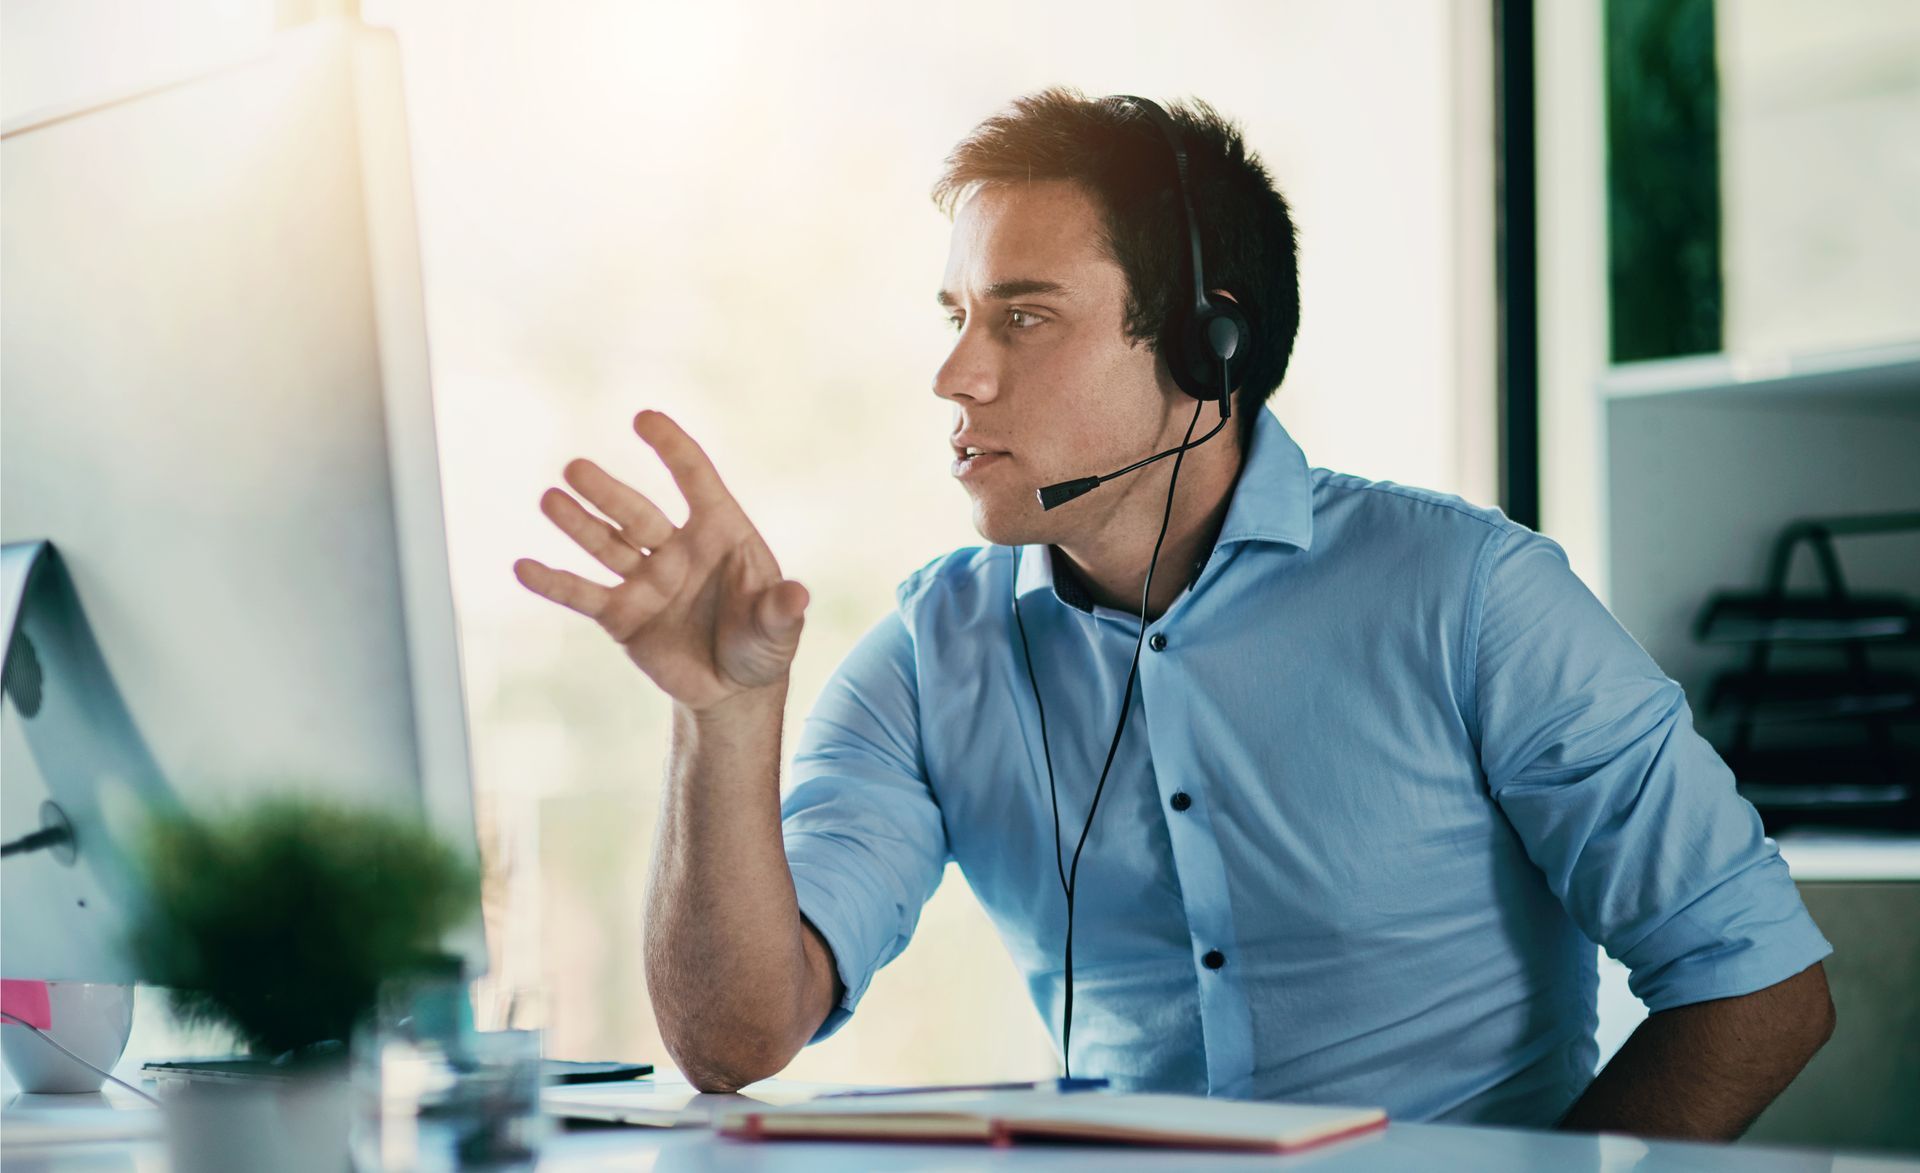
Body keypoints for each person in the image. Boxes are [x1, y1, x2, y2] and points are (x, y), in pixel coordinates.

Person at [513, 88, 1834, 1137]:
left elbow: (1760, 982)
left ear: (1212, 347)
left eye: (1023, 317)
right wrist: (725, 717)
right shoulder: (933, 648)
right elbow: (738, 1039)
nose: (954, 373)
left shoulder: (1471, 596)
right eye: (958, 313)